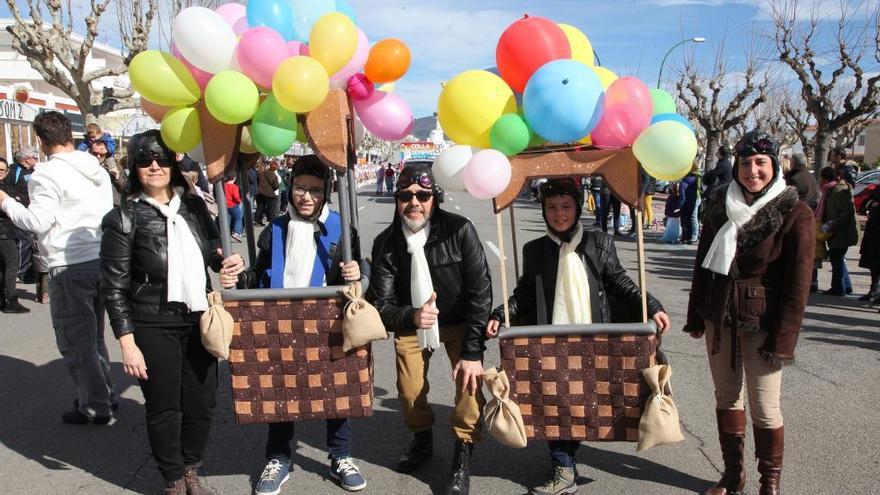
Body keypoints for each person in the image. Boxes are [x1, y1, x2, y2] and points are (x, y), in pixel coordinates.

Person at [484, 178, 670, 495]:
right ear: (544, 210)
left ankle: (566, 461)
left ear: (577, 206)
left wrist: (651, 306)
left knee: (586, 400)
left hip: (594, 338)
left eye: (566, 206)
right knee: (556, 399)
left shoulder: (599, 243)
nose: (559, 214)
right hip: (551, 340)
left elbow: (619, 283)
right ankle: (563, 467)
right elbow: (525, 293)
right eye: (552, 208)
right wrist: (501, 313)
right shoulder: (535, 251)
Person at [100, 130, 244, 495]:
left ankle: (191, 466)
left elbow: (212, 247)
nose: (154, 166)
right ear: (134, 166)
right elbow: (113, 288)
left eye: (162, 158)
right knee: (164, 406)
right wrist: (127, 343)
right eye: (145, 160)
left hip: (199, 319)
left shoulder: (194, 206)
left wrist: (225, 262)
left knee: (203, 403)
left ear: (173, 164)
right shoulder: (122, 218)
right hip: (152, 323)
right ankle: (174, 478)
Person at [684, 130, 814, 495]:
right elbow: (703, 267)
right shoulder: (719, 206)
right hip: (719, 318)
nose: (752, 171)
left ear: (774, 166)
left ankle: (769, 483)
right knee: (726, 397)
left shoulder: (795, 212)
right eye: (745, 163)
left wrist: (784, 340)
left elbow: (797, 286)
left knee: (766, 408)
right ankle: (731, 473)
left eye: (760, 163)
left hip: (764, 324)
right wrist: (697, 315)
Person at [241, 155, 368, 494]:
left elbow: (362, 272)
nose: (306, 197)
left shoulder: (343, 228)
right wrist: (238, 276)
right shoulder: (275, 229)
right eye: (300, 188)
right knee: (280, 390)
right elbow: (256, 275)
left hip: (328, 324)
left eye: (314, 190)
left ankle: (341, 455)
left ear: (326, 192)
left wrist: (359, 274)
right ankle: (278, 457)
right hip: (280, 322)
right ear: (291, 187)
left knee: (336, 388)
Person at [368, 163, 491, 495]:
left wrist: (472, 352)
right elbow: (380, 304)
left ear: (435, 198)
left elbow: (481, 292)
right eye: (405, 196)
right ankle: (422, 439)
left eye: (423, 195)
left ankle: (462, 453)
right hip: (413, 322)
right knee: (408, 392)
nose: (414, 203)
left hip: (459, 321)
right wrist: (411, 316)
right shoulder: (386, 243)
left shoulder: (459, 229)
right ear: (396, 200)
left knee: (469, 388)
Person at [0, 111, 117, 424]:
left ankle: (95, 405)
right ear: (70, 134)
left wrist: (6, 202)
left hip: (69, 264)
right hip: (101, 259)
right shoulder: (96, 168)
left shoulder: (46, 174)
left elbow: (37, 221)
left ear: (40, 141)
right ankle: (104, 395)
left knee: (77, 342)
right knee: (94, 337)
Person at [818, 166, 860, 296]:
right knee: (838, 258)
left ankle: (838, 288)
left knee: (836, 258)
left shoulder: (838, 190)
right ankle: (845, 286)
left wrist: (833, 223)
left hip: (842, 231)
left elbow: (846, 211)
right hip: (838, 231)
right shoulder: (833, 190)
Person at [0, 157, 29, 313]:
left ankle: (3, 300)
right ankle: (12, 301)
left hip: (8, 231)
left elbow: (22, 200)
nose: (0, 173)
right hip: (4, 233)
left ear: (7, 171)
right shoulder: (5, 189)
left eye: (2, 170)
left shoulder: (8, 186)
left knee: (3, 267)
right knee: (11, 265)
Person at [857, 187, 880, 304]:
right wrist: (873, 204)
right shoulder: (877, 189)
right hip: (874, 232)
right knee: (874, 264)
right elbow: (868, 202)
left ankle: (875, 291)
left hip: (876, 230)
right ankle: (874, 290)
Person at [90, 140, 127, 206]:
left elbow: (126, 188)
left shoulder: (115, 166)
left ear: (106, 153)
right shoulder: (85, 167)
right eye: (95, 153)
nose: (98, 156)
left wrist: (117, 178)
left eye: (101, 154)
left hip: (113, 205)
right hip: (94, 205)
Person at [679, 163, 702, 244]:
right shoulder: (698, 176)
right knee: (695, 218)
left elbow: (682, 195)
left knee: (691, 218)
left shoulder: (685, 180)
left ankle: (692, 236)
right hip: (698, 198)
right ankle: (694, 235)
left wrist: (680, 205)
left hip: (691, 200)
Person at [224, 173, 243, 242]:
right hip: (234, 205)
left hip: (225, 205)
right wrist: (239, 201)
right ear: (234, 178)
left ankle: (225, 234)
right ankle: (236, 232)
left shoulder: (224, 185)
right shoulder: (234, 186)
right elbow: (236, 196)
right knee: (238, 219)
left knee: (227, 220)